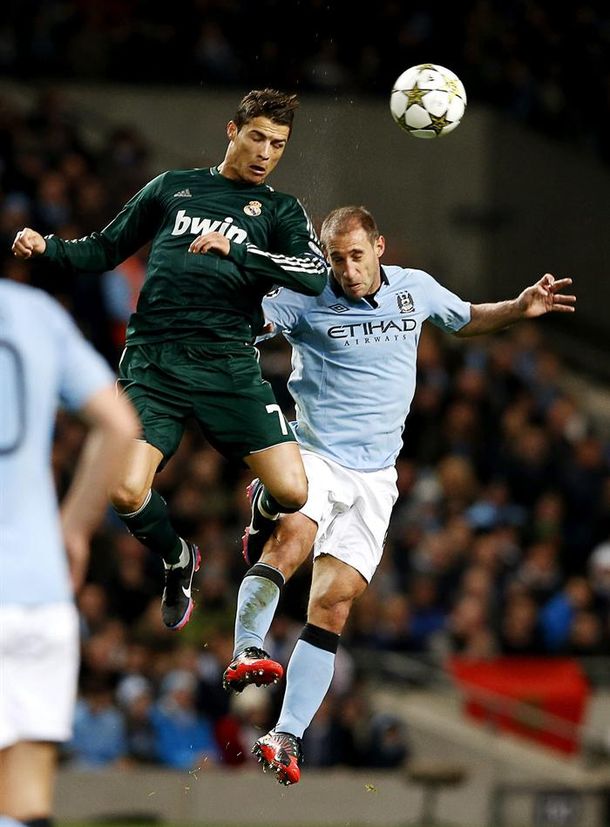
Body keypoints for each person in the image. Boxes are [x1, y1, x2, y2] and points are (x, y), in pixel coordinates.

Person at [222, 205, 576, 785]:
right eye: (336, 259)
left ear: (379, 247)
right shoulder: (305, 295)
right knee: (294, 540)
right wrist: (229, 270)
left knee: (334, 604)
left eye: (356, 256)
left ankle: (285, 733)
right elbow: (245, 318)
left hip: (377, 476)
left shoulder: (415, 289)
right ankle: (247, 648)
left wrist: (519, 306)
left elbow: (465, 319)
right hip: (316, 455)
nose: (347, 270)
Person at [12, 89, 327, 632]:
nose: (265, 153)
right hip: (154, 363)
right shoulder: (172, 188)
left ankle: (260, 509)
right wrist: (49, 247)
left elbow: (314, 274)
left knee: (293, 492)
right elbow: (105, 248)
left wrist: (239, 250)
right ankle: (177, 557)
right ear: (232, 131)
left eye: (278, 145)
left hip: (227, 363)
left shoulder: (279, 210)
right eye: (257, 137)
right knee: (124, 490)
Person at [0, 279, 139, 827]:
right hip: (40, 593)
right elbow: (120, 424)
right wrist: (74, 530)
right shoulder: (36, 312)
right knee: (26, 802)